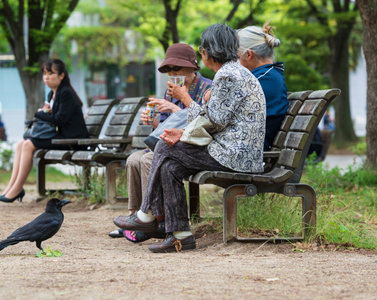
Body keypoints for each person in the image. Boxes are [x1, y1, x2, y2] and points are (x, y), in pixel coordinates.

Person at [114, 24, 266, 252]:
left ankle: (146, 215)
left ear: (208, 52)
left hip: (235, 155)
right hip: (232, 149)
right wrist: (182, 133)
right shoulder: (233, 72)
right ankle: (181, 234)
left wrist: (184, 115)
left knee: (165, 148)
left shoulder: (227, 75)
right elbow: (216, 119)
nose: (201, 53)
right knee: (171, 166)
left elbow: (215, 121)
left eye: (202, 49)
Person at [108, 43, 212, 242]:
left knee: (147, 160)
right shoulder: (170, 90)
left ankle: (157, 219)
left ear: (192, 67)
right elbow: (165, 126)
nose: (172, 74)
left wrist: (177, 105)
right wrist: (154, 121)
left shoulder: (208, 88)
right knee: (133, 159)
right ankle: (135, 216)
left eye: (177, 68)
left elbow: (206, 123)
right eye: (169, 70)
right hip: (169, 143)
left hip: (193, 148)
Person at [0, 59, 89, 203]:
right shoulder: (51, 95)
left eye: (51, 73)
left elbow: (59, 119)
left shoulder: (66, 93)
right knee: (21, 143)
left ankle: (17, 188)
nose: (46, 77)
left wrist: (39, 113)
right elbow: (52, 117)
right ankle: (11, 188)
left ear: (61, 75)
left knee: (28, 144)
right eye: (44, 73)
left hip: (72, 140)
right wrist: (43, 112)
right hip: (61, 137)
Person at [237, 24, 288, 150]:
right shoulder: (267, 76)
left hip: (246, 152)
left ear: (248, 55)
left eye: (235, 56)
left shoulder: (263, 79)